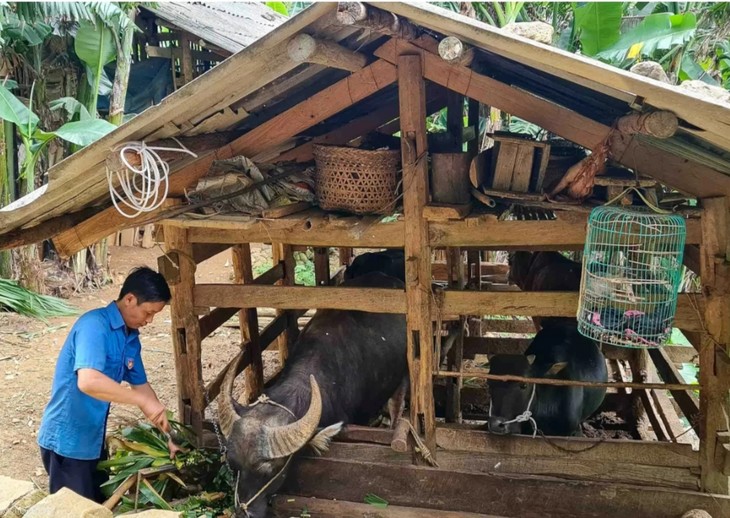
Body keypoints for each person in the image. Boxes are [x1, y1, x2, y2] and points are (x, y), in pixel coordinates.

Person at [37, 266, 181, 503]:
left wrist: (168, 437)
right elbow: (89, 381)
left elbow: (142, 388)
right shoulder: (94, 326)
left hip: (93, 440)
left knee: (97, 505)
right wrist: (140, 400)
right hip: (68, 443)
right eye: (148, 312)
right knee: (73, 510)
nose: (150, 320)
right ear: (130, 299)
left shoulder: (130, 336)